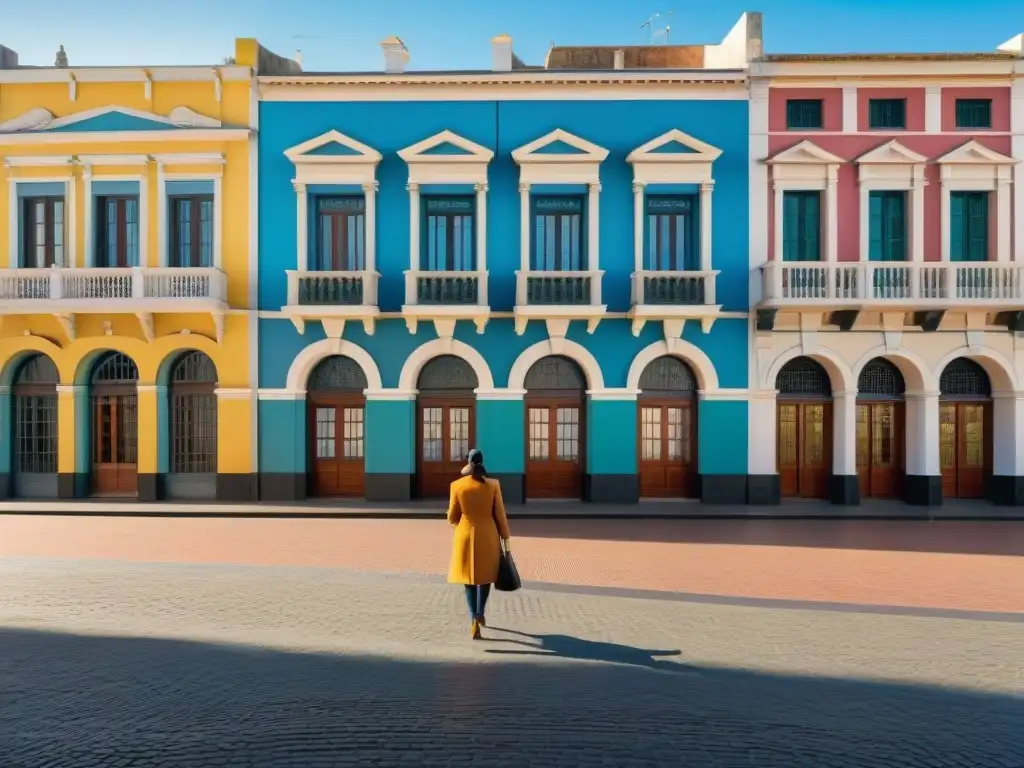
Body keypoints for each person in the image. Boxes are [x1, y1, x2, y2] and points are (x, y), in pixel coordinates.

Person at [446, 448, 511, 639]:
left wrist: (458, 523)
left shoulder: (457, 485)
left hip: (465, 536)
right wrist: (505, 536)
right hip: (488, 535)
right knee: (485, 577)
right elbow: (500, 514)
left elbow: (452, 516)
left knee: (469, 579)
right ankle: (480, 613)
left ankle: (473, 619)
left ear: (468, 462)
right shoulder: (493, 485)